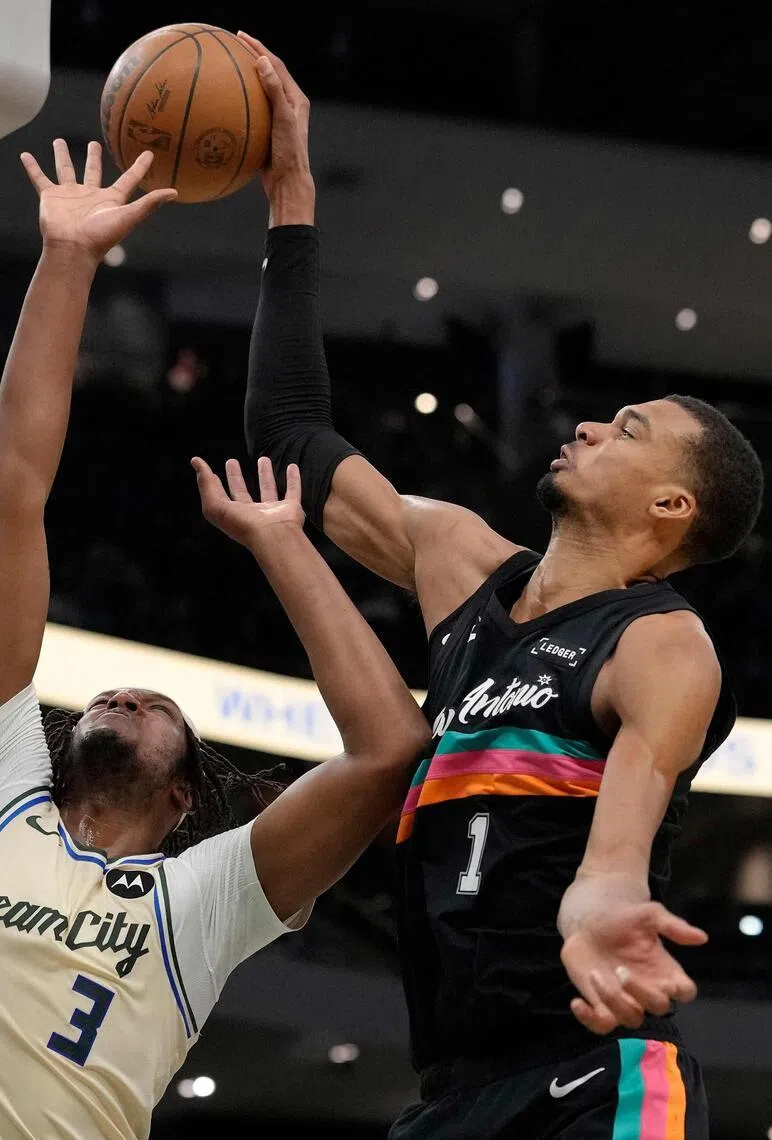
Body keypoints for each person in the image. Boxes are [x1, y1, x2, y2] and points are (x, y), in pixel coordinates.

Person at [0, 140, 431, 1140]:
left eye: (161, 709)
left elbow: (389, 752)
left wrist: (283, 545)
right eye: (119, 696)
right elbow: (7, 508)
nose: (130, 696)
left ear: (181, 795)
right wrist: (67, 258)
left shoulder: (201, 901)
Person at [235, 31, 764, 1140]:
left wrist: (604, 902)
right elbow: (289, 433)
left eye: (628, 431)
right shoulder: (458, 565)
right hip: (451, 1097)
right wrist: (292, 194)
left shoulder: (662, 645)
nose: (586, 424)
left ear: (674, 510)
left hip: (595, 1073)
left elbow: (623, 836)